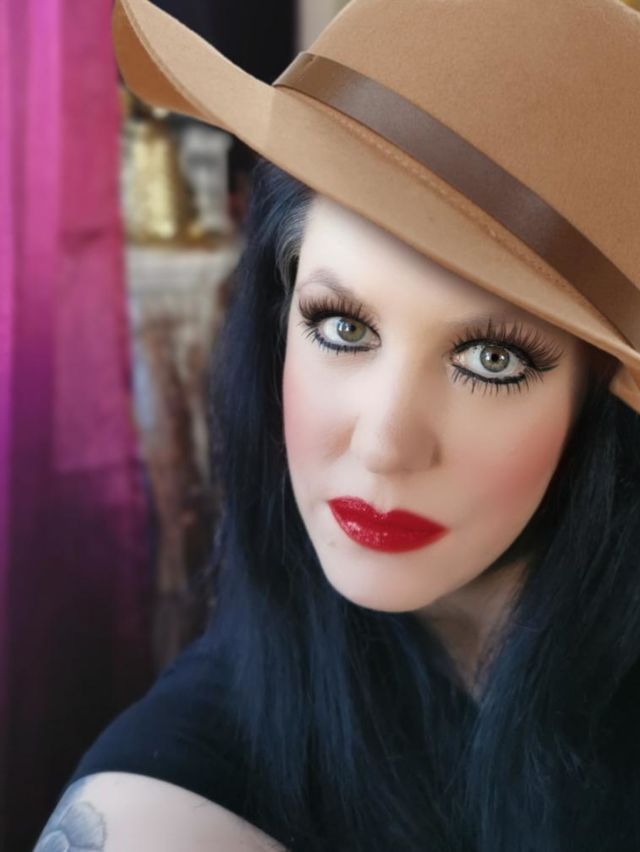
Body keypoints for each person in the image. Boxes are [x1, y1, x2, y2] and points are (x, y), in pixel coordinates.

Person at [34, 0, 640, 850]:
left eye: (491, 359)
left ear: (598, 399)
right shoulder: (167, 806)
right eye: (343, 327)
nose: (384, 444)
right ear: (278, 317)